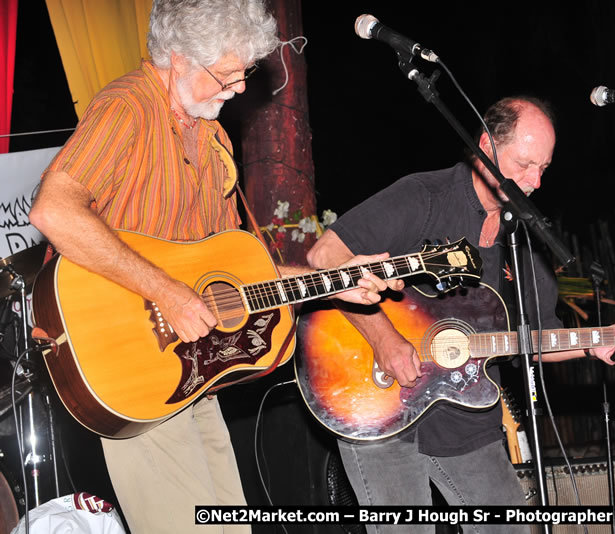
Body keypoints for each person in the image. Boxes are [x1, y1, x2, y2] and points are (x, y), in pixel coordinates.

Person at [28, 1, 391, 532]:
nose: (240, 88)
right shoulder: (127, 107)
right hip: (131, 362)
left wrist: (333, 284)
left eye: (243, 73)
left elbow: (239, 279)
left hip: (194, 370)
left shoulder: (214, 139)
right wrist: (168, 293)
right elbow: (52, 208)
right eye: (227, 74)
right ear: (178, 59)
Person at [306, 96, 615, 533]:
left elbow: (536, 338)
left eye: (544, 168)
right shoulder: (424, 197)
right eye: (525, 164)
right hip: (373, 397)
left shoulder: (524, 243)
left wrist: (593, 345)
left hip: (466, 416)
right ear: (486, 146)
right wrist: (384, 338)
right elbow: (325, 256)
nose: (535, 182)